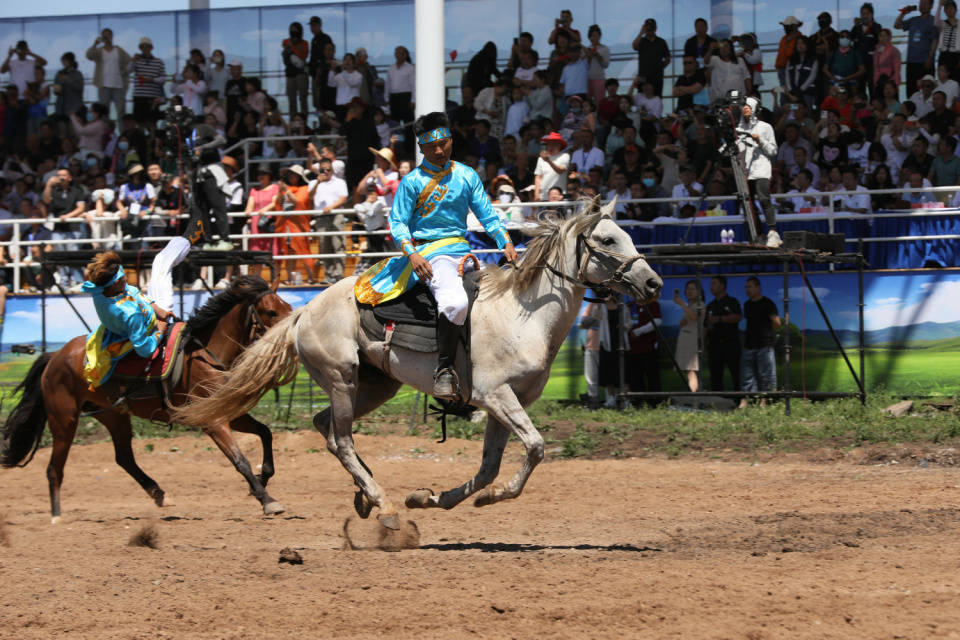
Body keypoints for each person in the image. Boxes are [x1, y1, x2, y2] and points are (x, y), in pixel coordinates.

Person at [354, 111, 517, 400]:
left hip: (464, 252)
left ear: (451, 140)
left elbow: (488, 215)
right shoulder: (412, 182)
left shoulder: (467, 175)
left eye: (443, 143)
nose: (439, 151)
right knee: (455, 303)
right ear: (422, 148)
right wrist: (413, 255)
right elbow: (398, 224)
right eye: (432, 147)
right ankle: (444, 370)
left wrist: (505, 241)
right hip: (431, 254)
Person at [147, 123, 231, 313]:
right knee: (202, 209)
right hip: (198, 174)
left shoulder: (204, 128)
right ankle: (208, 240)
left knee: (218, 207)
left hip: (212, 170)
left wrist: (203, 148)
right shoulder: (185, 140)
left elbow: (221, 140)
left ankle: (224, 238)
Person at [81, 251, 174, 391]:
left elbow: (131, 290)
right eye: (124, 278)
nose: (126, 279)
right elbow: (143, 349)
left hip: (116, 329)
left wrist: (156, 307)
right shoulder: (131, 314)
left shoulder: (99, 291)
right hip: (143, 330)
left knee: (161, 264)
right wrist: (159, 332)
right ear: (116, 283)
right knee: (161, 265)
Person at [737, 96, 781, 247]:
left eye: (749, 107)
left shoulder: (765, 127)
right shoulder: (738, 129)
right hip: (745, 171)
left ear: (756, 109)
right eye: (744, 107)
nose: (746, 109)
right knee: (748, 204)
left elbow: (773, 151)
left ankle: (773, 232)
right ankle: (758, 234)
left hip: (761, 169)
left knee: (764, 199)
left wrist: (760, 140)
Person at [41, 168, 87, 291]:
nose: (61, 177)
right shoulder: (54, 190)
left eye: (64, 175)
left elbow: (81, 208)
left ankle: (78, 281)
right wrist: (48, 185)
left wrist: (68, 216)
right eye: (59, 175)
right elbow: (46, 200)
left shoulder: (77, 190)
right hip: (58, 228)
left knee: (73, 254)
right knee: (59, 255)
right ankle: (64, 281)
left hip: (73, 228)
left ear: (69, 178)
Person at [739, 276, 781, 409]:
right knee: (747, 375)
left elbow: (777, 322)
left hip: (764, 344)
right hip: (749, 344)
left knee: (766, 374)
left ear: (758, 287)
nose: (747, 289)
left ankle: (765, 401)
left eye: (750, 286)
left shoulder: (767, 303)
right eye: (746, 287)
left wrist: (768, 333)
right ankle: (746, 401)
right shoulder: (747, 304)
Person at [308, 156, 348, 284]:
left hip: (336, 215)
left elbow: (343, 199)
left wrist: (331, 207)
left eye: (328, 169)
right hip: (321, 218)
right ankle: (329, 275)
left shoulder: (340, 182)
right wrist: (318, 183)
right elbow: (310, 196)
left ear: (332, 169)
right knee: (324, 247)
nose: (325, 172)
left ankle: (339, 276)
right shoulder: (313, 183)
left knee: (338, 245)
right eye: (323, 170)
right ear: (318, 170)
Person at [705, 276, 742, 391]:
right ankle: (718, 399)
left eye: (714, 283)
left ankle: (739, 398)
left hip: (731, 344)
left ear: (722, 286)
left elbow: (738, 317)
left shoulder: (732, 302)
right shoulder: (710, 305)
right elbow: (705, 326)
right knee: (715, 375)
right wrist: (703, 343)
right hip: (714, 345)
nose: (711, 286)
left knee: (736, 373)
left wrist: (720, 319)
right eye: (711, 284)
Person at [895, 0, 940, 95]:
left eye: (925, 3)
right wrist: (903, 13)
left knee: (927, 92)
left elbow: (935, 41)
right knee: (911, 92)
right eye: (921, 3)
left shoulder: (933, 21)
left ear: (931, 6)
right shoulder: (913, 20)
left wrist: (930, 58)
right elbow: (897, 25)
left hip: (925, 62)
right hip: (911, 61)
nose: (922, 6)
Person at [628, 296, 662, 403]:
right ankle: (638, 402)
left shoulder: (652, 303)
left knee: (652, 376)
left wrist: (639, 331)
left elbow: (657, 321)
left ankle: (655, 401)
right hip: (633, 348)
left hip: (648, 347)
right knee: (635, 377)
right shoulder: (630, 306)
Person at [673, 280, 705, 392]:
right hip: (687, 340)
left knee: (692, 370)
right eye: (688, 289)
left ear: (699, 291)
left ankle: (694, 396)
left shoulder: (700, 304)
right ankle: (696, 394)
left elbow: (694, 317)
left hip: (692, 341)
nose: (689, 291)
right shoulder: (691, 305)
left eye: (693, 289)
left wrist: (681, 303)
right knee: (690, 371)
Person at [129, 37, 166, 129]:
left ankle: (153, 137)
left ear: (151, 48)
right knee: (139, 121)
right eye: (143, 47)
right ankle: (142, 137)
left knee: (151, 120)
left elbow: (163, 78)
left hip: (153, 97)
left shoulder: (159, 62)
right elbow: (128, 71)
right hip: (139, 95)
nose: (145, 49)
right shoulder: (137, 60)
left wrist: (151, 80)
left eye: (147, 47)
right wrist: (133, 61)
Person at [632, 18, 671, 97]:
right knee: (641, 98)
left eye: (652, 27)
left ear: (655, 28)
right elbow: (634, 46)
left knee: (657, 98)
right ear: (644, 28)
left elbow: (668, 58)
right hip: (643, 76)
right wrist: (641, 33)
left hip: (657, 77)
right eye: (648, 27)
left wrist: (660, 67)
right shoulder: (641, 40)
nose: (650, 29)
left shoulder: (661, 42)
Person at [852, 3, 882, 97]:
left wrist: (871, 25)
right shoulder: (857, 28)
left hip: (873, 63)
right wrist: (855, 25)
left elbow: (880, 39)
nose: (865, 16)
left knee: (873, 87)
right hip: (859, 63)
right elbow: (851, 38)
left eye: (867, 13)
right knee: (860, 89)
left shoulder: (877, 26)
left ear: (872, 14)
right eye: (863, 14)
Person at [533, 131, 569, 201]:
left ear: (560, 146)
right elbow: (538, 177)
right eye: (549, 144)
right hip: (544, 196)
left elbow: (561, 170)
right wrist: (536, 194)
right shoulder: (541, 159)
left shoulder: (565, 156)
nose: (551, 146)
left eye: (554, 144)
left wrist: (548, 161)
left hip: (559, 196)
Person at [283, 22, 309, 116]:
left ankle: (304, 119)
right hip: (290, 73)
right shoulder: (286, 41)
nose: (293, 32)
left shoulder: (304, 43)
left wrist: (292, 47)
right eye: (291, 30)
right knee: (292, 99)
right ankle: (293, 120)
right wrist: (295, 48)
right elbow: (286, 55)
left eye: (295, 30)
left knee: (303, 98)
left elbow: (303, 56)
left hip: (301, 73)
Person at [308, 15, 334, 110]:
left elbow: (329, 57)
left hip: (324, 75)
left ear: (320, 25)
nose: (312, 28)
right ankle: (320, 118)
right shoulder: (314, 40)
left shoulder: (325, 38)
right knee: (317, 103)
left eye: (314, 25)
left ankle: (326, 118)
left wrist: (322, 67)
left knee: (323, 101)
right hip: (316, 75)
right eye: (311, 26)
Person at [386, 46, 415, 124]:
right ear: (395, 54)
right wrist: (386, 98)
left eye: (401, 53)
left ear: (405, 55)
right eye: (397, 53)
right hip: (393, 97)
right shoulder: (391, 68)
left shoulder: (410, 68)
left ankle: (409, 133)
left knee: (408, 122)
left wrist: (413, 100)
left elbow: (413, 85)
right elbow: (387, 85)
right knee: (394, 122)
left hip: (405, 97)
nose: (399, 55)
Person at [584, 25, 610, 104]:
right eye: (591, 36)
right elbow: (585, 66)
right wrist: (589, 57)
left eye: (595, 35)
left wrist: (597, 55)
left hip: (599, 78)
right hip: (587, 78)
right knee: (587, 103)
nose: (593, 38)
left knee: (600, 102)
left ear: (600, 36)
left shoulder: (605, 49)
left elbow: (606, 65)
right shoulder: (586, 49)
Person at [53, 52, 84, 118]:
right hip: (61, 107)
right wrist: (57, 88)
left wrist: (67, 79)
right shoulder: (59, 73)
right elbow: (56, 91)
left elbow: (79, 87)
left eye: (65, 60)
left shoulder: (77, 74)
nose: (64, 62)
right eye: (63, 60)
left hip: (74, 107)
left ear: (71, 61)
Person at [776, 16, 804, 87]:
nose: (785, 28)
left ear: (794, 26)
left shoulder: (799, 39)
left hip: (791, 69)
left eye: (787, 26)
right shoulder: (784, 38)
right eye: (785, 26)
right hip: (782, 68)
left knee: (789, 89)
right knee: (784, 88)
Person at [936, 0, 960, 80]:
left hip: (956, 55)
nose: (949, 10)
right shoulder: (942, 23)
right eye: (947, 8)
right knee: (942, 79)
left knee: (956, 79)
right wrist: (940, 6)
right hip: (944, 55)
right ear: (944, 11)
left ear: (956, 10)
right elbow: (935, 23)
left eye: (952, 8)